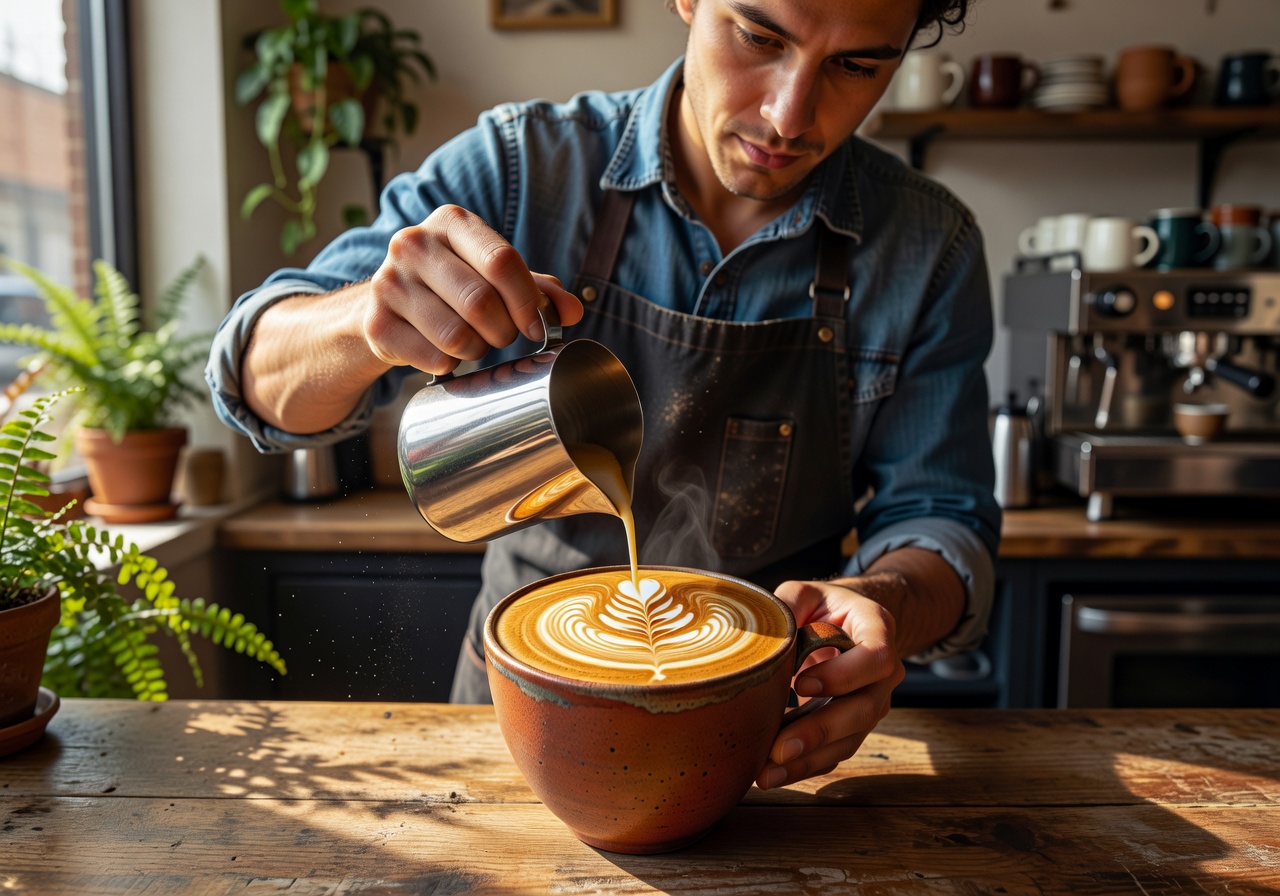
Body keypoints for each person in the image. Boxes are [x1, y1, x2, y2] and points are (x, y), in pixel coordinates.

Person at [208, 0, 999, 792]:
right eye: (760, 36)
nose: (788, 116)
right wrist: (359, 323)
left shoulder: (929, 247)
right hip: (510, 728)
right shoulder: (523, 167)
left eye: (857, 65)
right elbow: (254, 381)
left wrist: (882, 598)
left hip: (763, 741)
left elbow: (942, 521)